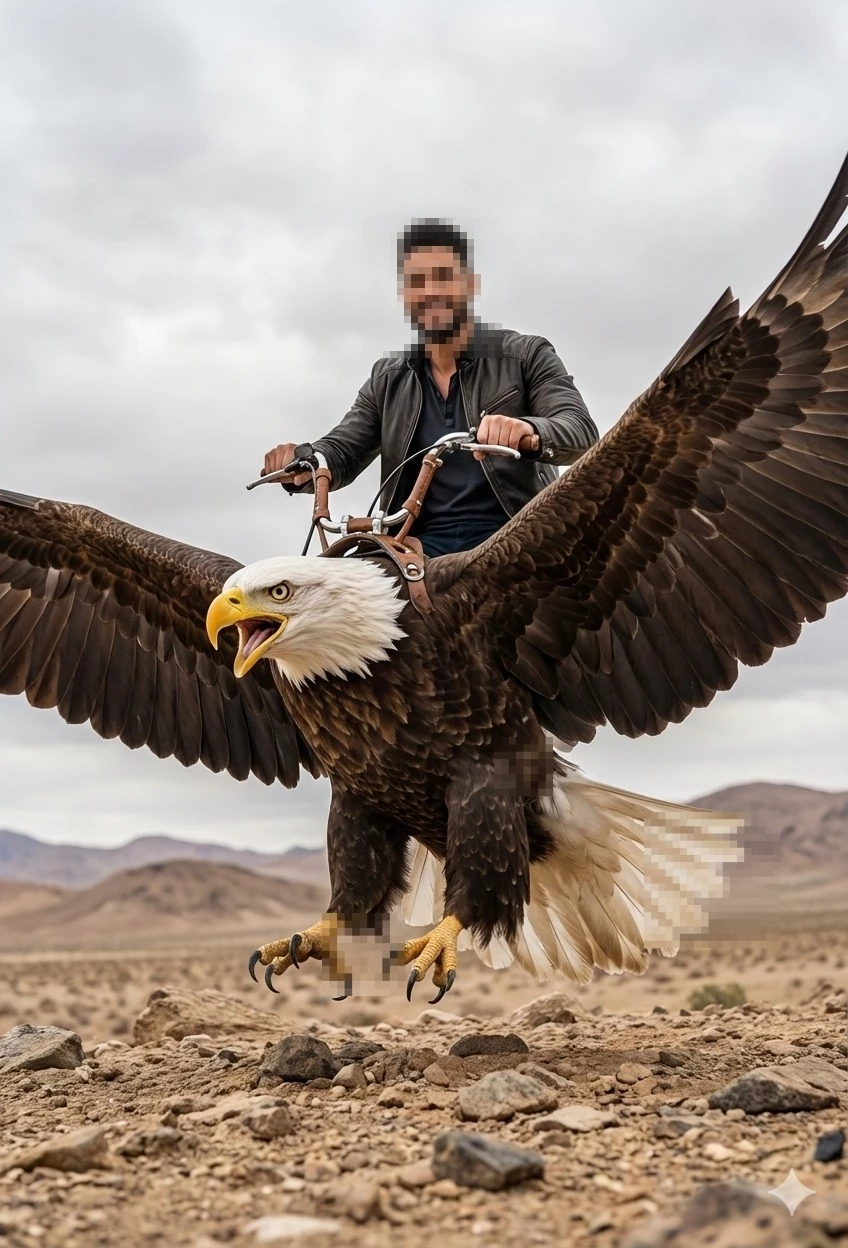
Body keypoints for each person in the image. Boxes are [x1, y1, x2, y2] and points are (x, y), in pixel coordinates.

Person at [262, 219, 598, 557]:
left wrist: (529, 430)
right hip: (414, 547)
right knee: (322, 583)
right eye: (417, 281)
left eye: (443, 277)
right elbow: (342, 450)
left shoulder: (526, 355)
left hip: (515, 537)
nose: (431, 292)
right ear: (405, 294)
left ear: (469, 285)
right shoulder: (387, 379)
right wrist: (302, 461)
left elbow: (580, 430)